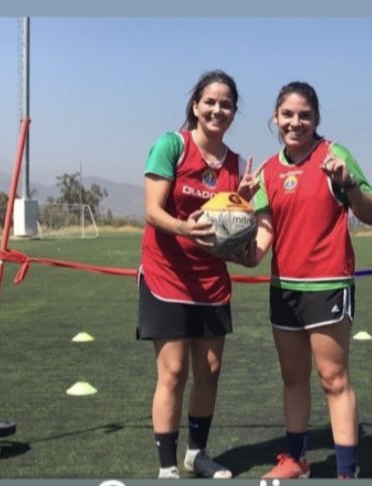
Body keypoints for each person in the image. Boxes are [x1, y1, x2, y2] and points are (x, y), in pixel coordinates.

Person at [243, 81, 372, 479]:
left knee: (333, 379)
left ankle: (345, 471)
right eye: (287, 114)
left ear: (316, 118)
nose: (296, 122)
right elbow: (260, 244)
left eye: (304, 115)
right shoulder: (267, 172)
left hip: (327, 286)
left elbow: (371, 213)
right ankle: (297, 460)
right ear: (275, 118)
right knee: (292, 379)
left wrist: (348, 183)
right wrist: (230, 235)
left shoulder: (334, 155)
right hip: (284, 291)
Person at [137, 69, 261, 479]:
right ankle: (167, 466)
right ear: (195, 106)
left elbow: (241, 231)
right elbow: (153, 212)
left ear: (234, 112)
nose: (217, 109)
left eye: (226, 104)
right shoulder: (171, 145)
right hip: (167, 275)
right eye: (210, 101)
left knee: (209, 371)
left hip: (211, 283)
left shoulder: (240, 165)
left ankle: (197, 454)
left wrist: (243, 209)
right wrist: (186, 228)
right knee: (173, 371)